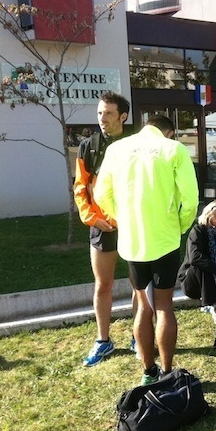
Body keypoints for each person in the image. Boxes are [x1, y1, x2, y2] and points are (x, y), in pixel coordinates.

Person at [94, 114, 199, 385]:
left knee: (143, 305)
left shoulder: (116, 149)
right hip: (165, 239)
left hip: (132, 240)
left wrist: (122, 217)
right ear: (169, 132)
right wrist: (180, 226)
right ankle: (166, 371)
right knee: (164, 305)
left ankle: (148, 371)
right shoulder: (174, 149)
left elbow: (101, 194)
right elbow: (190, 199)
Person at [73, 91, 136, 367]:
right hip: (101, 226)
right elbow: (80, 187)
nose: (102, 118)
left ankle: (139, 334)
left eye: (108, 113)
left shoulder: (136, 143)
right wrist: (91, 218)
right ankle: (103, 340)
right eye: (99, 113)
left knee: (139, 285)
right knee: (103, 285)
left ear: (123, 116)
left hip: (133, 225)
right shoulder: (89, 145)